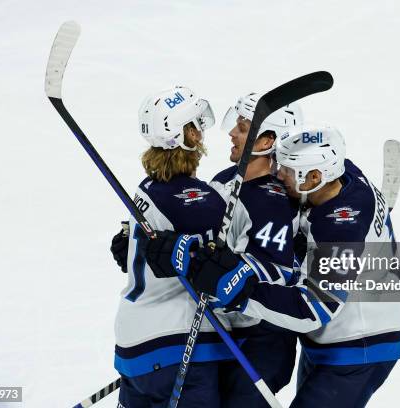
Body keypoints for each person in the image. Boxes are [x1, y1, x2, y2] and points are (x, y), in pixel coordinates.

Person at [112, 85, 232, 408]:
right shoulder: (199, 200)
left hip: (132, 345)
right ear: (183, 136)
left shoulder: (147, 190)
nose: (201, 131)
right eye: (195, 125)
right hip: (177, 345)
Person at [274, 124, 400, 408]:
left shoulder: (341, 228)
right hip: (331, 342)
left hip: (358, 345)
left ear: (315, 177)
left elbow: (314, 307)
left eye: (287, 170)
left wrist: (241, 292)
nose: (278, 175)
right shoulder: (345, 172)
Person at [210, 93, 303, 407]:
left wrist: (226, 270)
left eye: (242, 127)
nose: (232, 134)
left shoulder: (272, 201)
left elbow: (277, 270)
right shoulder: (222, 181)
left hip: (263, 339)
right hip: (226, 329)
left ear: (266, 143)